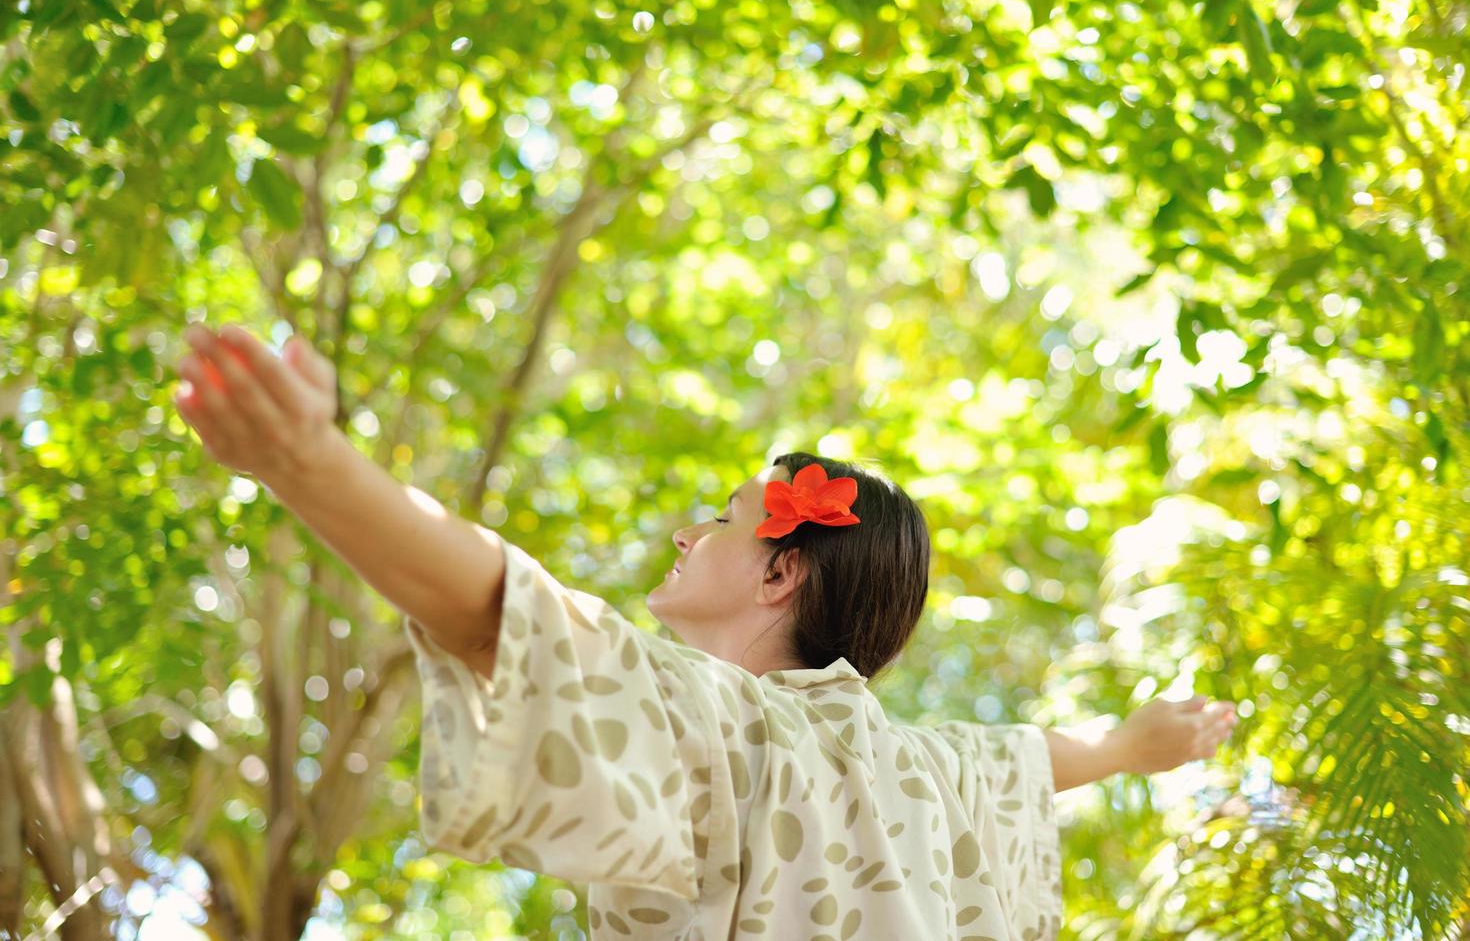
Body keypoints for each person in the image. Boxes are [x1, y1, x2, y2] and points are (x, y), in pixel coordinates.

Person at [174, 323, 1237, 940]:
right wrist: (1139, 745)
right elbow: (1035, 758)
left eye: (721, 518)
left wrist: (310, 465)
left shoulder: (717, 719)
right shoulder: (929, 765)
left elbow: (505, 611)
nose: (686, 531)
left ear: (782, 568)